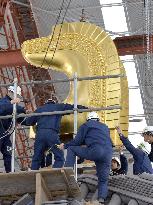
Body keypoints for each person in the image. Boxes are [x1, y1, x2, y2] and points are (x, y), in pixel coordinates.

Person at [59, 111, 113, 205]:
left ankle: (68, 172)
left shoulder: (86, 125)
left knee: (72, 149)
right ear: (98, 119)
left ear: (88, 119)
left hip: (96, 150)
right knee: (103, 179)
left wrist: (65, 145)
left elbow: (77, 141)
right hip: (108, 153)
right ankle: (101, 199)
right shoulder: (105, 127)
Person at [25, 94, 87, 170]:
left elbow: (28, 122)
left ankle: (33, 175)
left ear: (46, 103)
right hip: (51, 134)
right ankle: (54, 173)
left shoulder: (40, 109)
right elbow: (72, 107)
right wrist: (85, 108)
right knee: (59, 157)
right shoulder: (58, 106)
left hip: (40, 134)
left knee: (37, 157)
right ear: (54, 102)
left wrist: (24, 114)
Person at [0, 85, 25, 173]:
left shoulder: (14, 106)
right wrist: (20, 107)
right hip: (1, 132)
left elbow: (19, 119)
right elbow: (3, 108)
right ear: (10, 92)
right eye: (16, 95)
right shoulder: (3, 102)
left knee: (8, 152)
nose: (17, 97)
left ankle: (10, 172)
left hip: (5, 134)